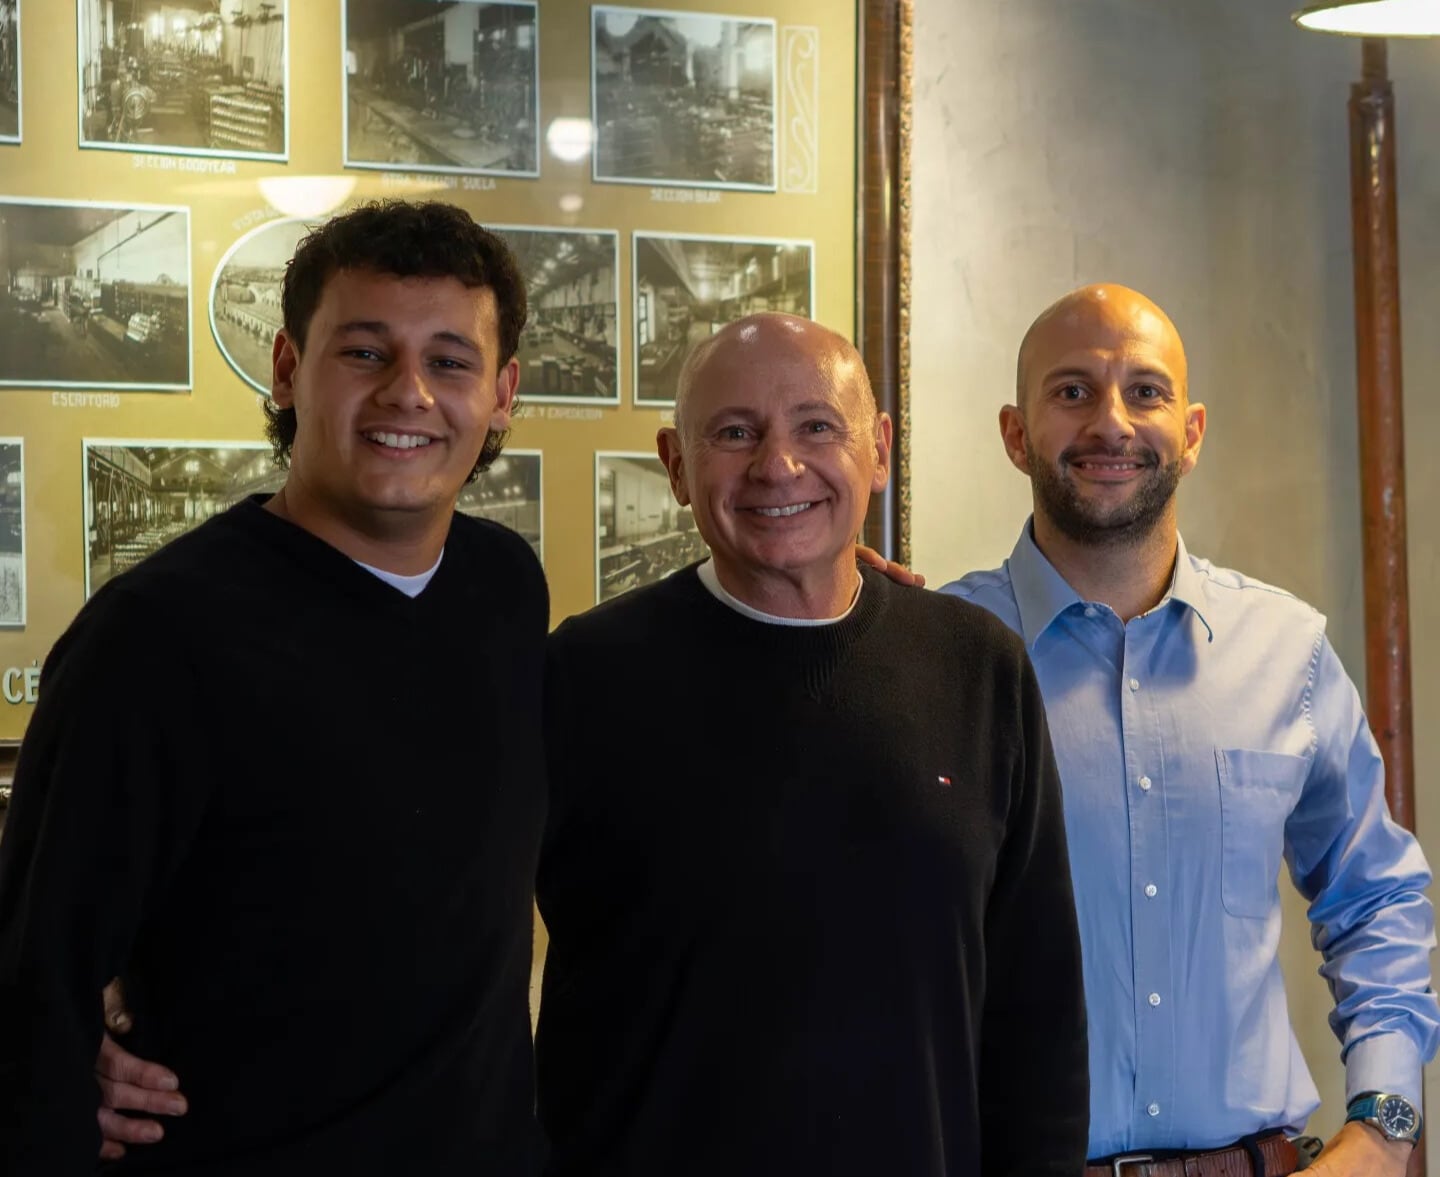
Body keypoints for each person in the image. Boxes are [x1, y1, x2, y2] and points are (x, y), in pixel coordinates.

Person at [0, 200, 547, 1175]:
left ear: (501, 393)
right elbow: (34, 976)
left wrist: (839, 585)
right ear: (289, 370)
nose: (409, 393)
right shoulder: (156, 639)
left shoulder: (505, 585)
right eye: (365, 352)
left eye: (450, 361)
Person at [534, 312, 1088, 1175]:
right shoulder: (583, 675)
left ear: (880, 449)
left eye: (817, 426)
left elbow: (1037, 1009)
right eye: (734, 433)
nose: (777, 465)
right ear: (677, 466)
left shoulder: (978, 667)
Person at [942, 284, 1439, 1177]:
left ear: (1194, 430)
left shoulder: (1289, 651)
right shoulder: (937, 657)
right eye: (1071, 392)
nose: (1111, 423)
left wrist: (1384, 1126)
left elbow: (1376, 899)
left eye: (1145, 391)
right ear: (1016, 433)